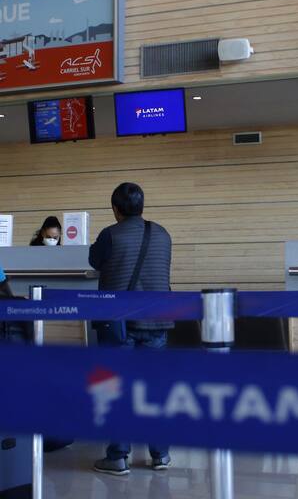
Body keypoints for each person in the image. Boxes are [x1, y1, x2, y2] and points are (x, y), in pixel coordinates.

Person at [89, 182, 173, 475]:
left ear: (115, 209)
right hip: (157, 321)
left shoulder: (110, 234)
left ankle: (118, 457)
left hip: (119, 325)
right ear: (141, 205)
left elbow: (94, 260)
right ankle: (160, 455)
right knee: (154, 388)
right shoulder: (162, 234)